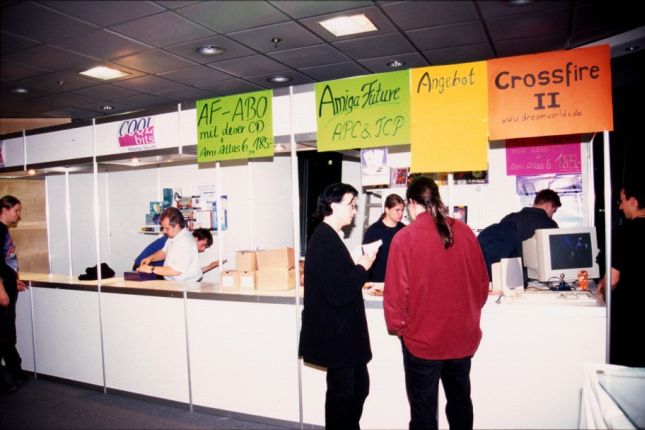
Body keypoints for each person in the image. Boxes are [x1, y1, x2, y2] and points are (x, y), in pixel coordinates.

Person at [384, 176, 489, 430]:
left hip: (423, 341)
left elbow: (396, 295)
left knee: (423, 411)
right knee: (460, 402)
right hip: (462, 339)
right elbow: (482, 286)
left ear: (411, 203)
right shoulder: (464, 231)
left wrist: (401, 328)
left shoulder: (405, 238)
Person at [299, 183, 377, 430]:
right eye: (350, 204)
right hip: (336, 333)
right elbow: (338, 293)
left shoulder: (330, 237)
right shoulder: (323, 240)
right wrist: (362, 267)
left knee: (357, 388)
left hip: (344, 333)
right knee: (342, 395)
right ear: (333, 205)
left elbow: (336, 281)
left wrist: (355, 265)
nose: (354, 210)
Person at [598, 181, 645, 367]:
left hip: (631, 318)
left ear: (633, 202)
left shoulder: (624, 233)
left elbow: (612, 281)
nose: (619, 206)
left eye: (621, 200)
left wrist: (600, 290)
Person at [478, 188, 561, 281]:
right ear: (548, 205)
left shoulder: (511, 218)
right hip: (541, 283)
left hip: (513, 282)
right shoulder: (550, 225)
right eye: (553, 211)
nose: (552, 215)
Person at [0, 195, 29, 394]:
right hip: (1, 292)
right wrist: (1, 290)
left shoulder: (4, 231)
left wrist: (12, 279)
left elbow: (4, 263)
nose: (19, 215)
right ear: (5, 209)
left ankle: (16, 372)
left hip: (7, 286)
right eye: (16, 210)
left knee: (8, 334)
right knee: (2, 335)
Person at [137, 208, 202, 282]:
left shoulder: (185, 243)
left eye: (167, 228)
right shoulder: (175, 235)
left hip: (188, 284)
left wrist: (151, 269)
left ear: (177, 226)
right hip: (175, 282)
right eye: (163, 228)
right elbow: (164, 252)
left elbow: (175, 271)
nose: (164, 231)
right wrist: (150, 258)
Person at [133, 228, 222, 275]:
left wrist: (211, 266)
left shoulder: (188, 246)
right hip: (142, 267)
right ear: (195, 238)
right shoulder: (177, 242)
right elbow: (178, 272)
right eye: (203, 245)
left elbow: (189, 273)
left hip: (157, 270)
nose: (203, 250)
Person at [363, 194, 405, 282]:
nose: (401, 213)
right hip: (377, 280)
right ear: (387, 210)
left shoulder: (404, 230)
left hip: (398, 279)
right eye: (397, 210)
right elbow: (366, 258)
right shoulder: (373, 231)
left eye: (402, 210)